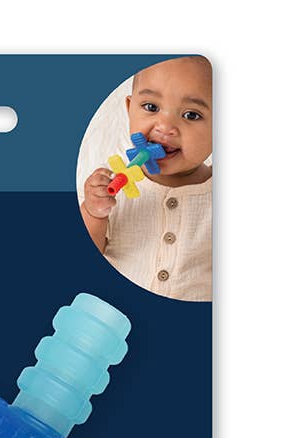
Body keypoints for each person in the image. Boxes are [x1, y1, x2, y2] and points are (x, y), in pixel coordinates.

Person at [81, 57, 212, 302]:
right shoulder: (112, 186)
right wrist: (93, 213)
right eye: (151, 107)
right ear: (129, 108)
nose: (165, 126)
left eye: (191, 115)